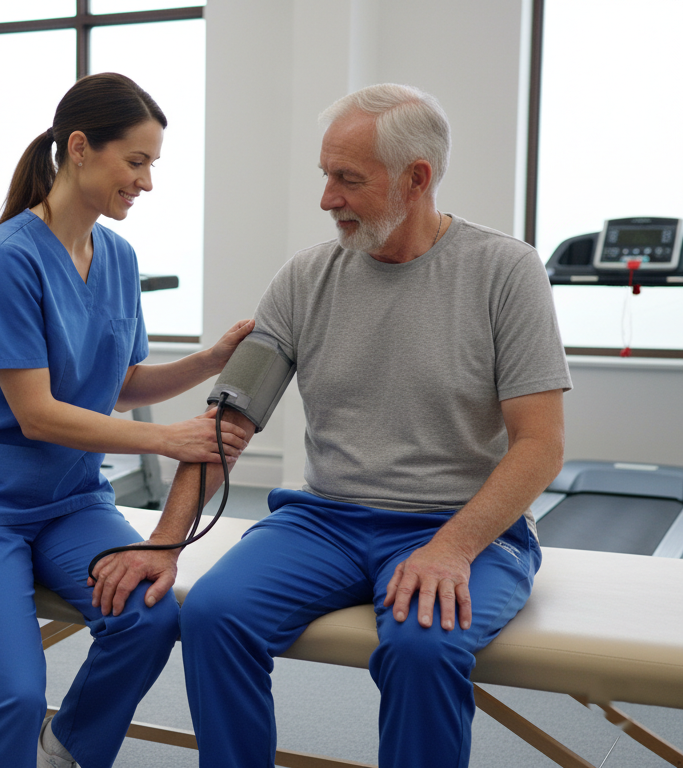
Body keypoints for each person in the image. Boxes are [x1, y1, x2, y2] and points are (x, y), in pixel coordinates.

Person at [88, 83, 572, 768]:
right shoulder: (304, 278)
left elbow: (541, 444)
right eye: (326, 176)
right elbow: (224, 425)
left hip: (457, 526)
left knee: (422, 645)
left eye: (348, 179)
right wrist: (166, 542)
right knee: (213, 614)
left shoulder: (505, 272)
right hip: (325, 521)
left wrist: (452, 548)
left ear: (417, 178)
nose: (327, 199)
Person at [0, 72, 254, 768]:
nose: (147, 182)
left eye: (152, 165)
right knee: (12, 693)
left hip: (71, 503)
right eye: (137, 162)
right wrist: (168, 438)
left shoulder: (118, 257)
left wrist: (211, 359)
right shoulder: (6, 260)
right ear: (79, 148)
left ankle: (68, 747)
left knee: (149, 618)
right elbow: (37, 414)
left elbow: (120, 384)